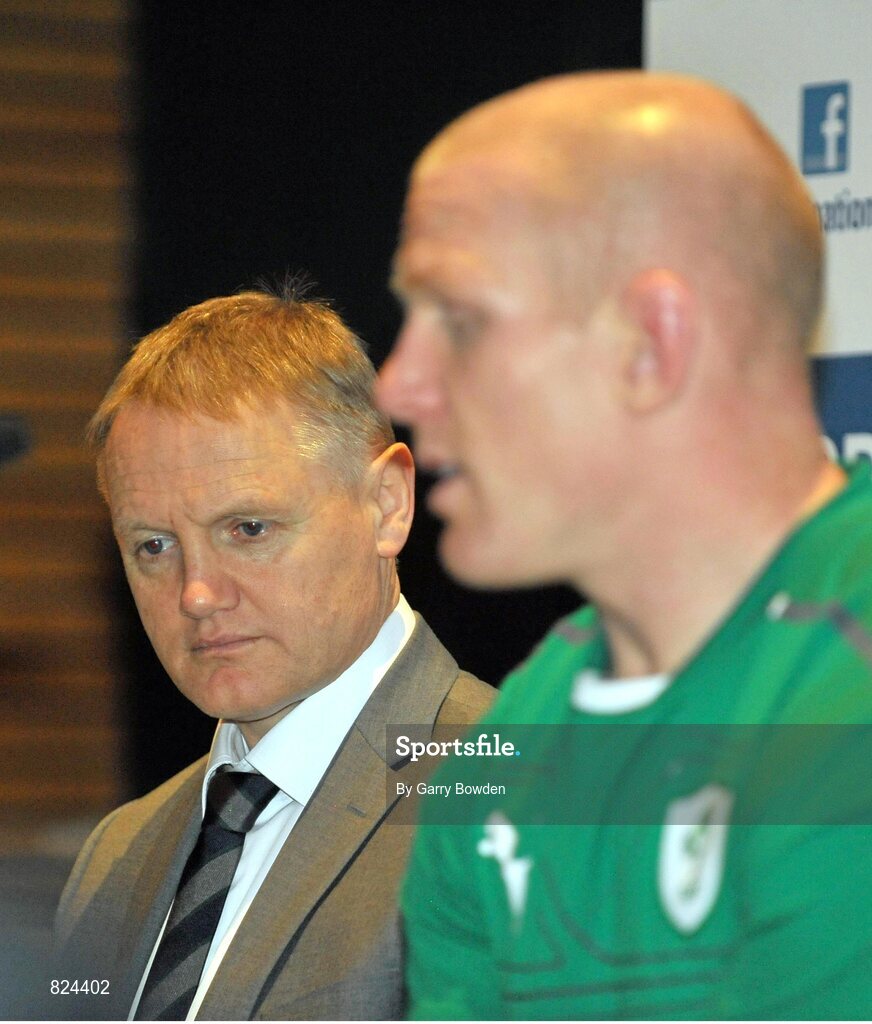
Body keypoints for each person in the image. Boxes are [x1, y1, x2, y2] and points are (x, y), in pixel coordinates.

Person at [376, 71, 872, 1019]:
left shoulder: (847, 687)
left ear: (651, 343)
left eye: (462, 321)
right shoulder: (506, 753)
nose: (401, 380)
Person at [53, 288, 492, 1021]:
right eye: (153, 546)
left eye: (248, 528)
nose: (196, 593)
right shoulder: (117, 854)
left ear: (387, 504)